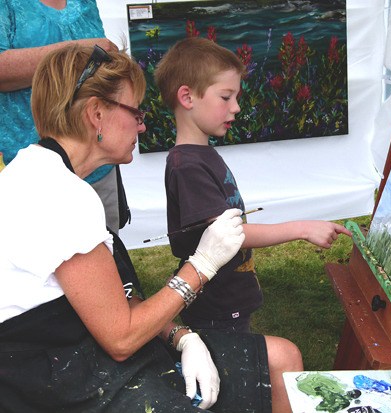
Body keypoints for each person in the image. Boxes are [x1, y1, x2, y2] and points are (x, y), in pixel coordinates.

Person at [0, 44, 302, 413]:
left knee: (281, 357)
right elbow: (121, 337)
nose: (142, 124)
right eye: (136, 111)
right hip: (55, 377)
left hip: (80, 349)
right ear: (97, 114)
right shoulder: (59, 194)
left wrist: (181, 335)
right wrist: (203, 265)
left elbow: (114, 298)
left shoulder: (39, 170)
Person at [155, 37, 352, 333]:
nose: (236, 107)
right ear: (187, 97)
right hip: (215, 303)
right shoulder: (188, 166)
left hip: (228, 295)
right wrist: (303, 228)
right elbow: (230, 236)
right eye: (226, 97)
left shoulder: (201, 155)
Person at [0, 0, 128, 232]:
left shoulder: (84, 2)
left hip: (96, 166)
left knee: (107, 254)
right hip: (36, 178)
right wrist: (81, 52)